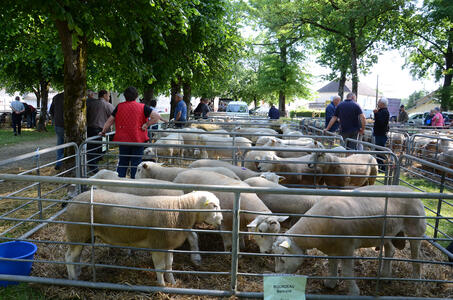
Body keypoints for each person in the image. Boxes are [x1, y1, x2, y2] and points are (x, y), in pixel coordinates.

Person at [100, 86, 161, 179]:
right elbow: (157, 116)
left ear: (125, 96)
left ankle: (119, 184)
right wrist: (147, 124)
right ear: (136, 96)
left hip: (124, 140)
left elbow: (110, 120)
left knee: (123, 162)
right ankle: (133, 183)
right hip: (138, 140)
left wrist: (103, 131)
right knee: (136, 164)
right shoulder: (143, 107)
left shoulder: (119, 106)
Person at [86, 89, 114, 172]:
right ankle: (93, 166)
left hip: (90, 128)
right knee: (100, 147)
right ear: (104, 95)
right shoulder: (108, 105)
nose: (109, 97)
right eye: (108, 96)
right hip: (102, 129)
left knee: (92, 147)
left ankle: (93, 164)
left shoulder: (91, 103)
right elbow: (114, 115)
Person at [373, 98, 390, 172]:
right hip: (379, 134)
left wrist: (376, 114)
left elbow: (381, 123)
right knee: (378, 151)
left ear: (382, 104)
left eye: (379, 102)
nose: (377, 103)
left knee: (380, 151)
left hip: (381, 134)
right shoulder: (382, 111)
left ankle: (382, 168)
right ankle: (380, 167)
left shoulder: (384, 112)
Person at [49, 92, 65, 170]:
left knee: (60, 144)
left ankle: (59, 162)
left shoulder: (56, 97)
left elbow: (51, 111)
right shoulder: (73, 96)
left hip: (58, 124)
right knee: (70, 144)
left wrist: (55, 119)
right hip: (67, 125)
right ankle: (59, 162)